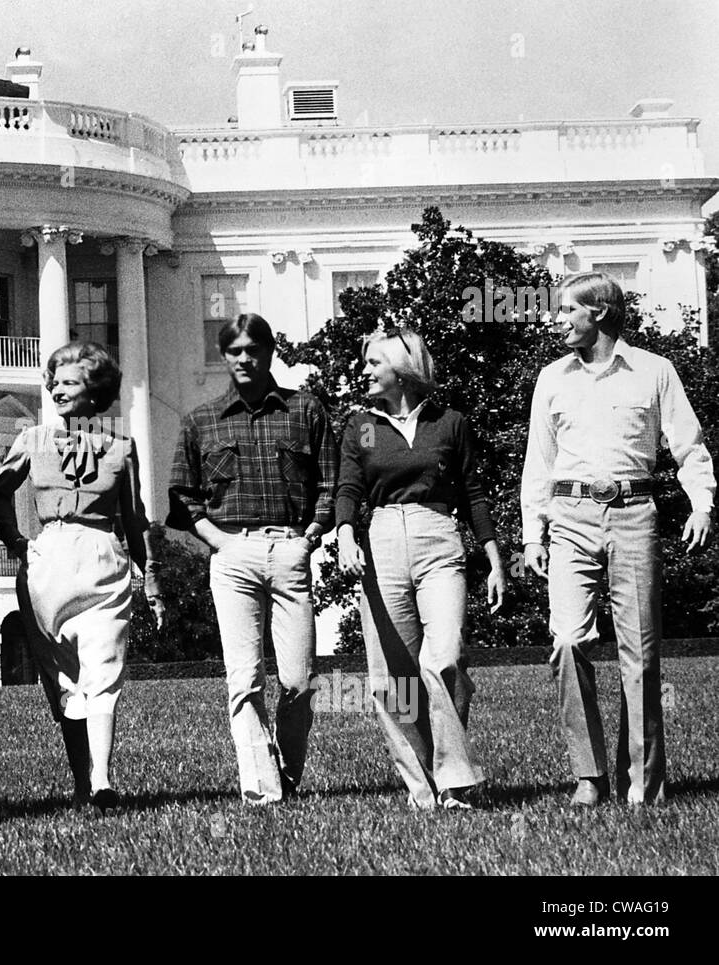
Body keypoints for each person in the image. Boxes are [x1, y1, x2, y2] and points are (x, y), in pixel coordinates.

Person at [522, 272, 713, 807]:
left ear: (599, 313)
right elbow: (538, 461)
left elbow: (689, 446)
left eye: (567, 310)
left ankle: (643, 784)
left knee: (642, 653)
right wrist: (532, 532)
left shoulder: (655, 371)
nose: (557, 319)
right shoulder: (551, 379)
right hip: (569, 516)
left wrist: (702, 504)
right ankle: (589, 774)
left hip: (633, 514)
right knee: (567, 640)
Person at [167, 312, 339, 803]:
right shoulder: (201, 421)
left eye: (253, 349)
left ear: (269, 352)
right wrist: (218, 541)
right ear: (224, 357)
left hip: (290, 549)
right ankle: (261, 787)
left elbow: (328, 481)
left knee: (299, 680)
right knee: (244, 677)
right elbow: (183, 496)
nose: (244, 359)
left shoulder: (305, 410)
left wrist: (308, 537)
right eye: (234, 351)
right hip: (233, 552)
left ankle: (286, 769)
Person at [335, 328, 506, 810]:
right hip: (383, 538)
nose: (364, 371)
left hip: (439, 537)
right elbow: (348, 487)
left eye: (373, 363)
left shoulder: (449, 423)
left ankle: (455, 779)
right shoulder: (361, 425)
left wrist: (494, 555)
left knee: (444, 657)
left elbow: (474, 493)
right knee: (393, 677)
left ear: (403, 368)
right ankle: (422, 788)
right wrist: (346, 534)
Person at [0, 341, 165, 814]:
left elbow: (135, 520)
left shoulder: (122, 448)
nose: (56, 390)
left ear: (96, 391)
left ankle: (104, 779)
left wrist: (151, 579)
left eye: (69, 382)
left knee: (103, 669)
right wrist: (12, 538)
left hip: (101, 559)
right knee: (64, 682)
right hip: (47, 564)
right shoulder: (32, 440)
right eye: (54, 382)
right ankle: (82, 781)